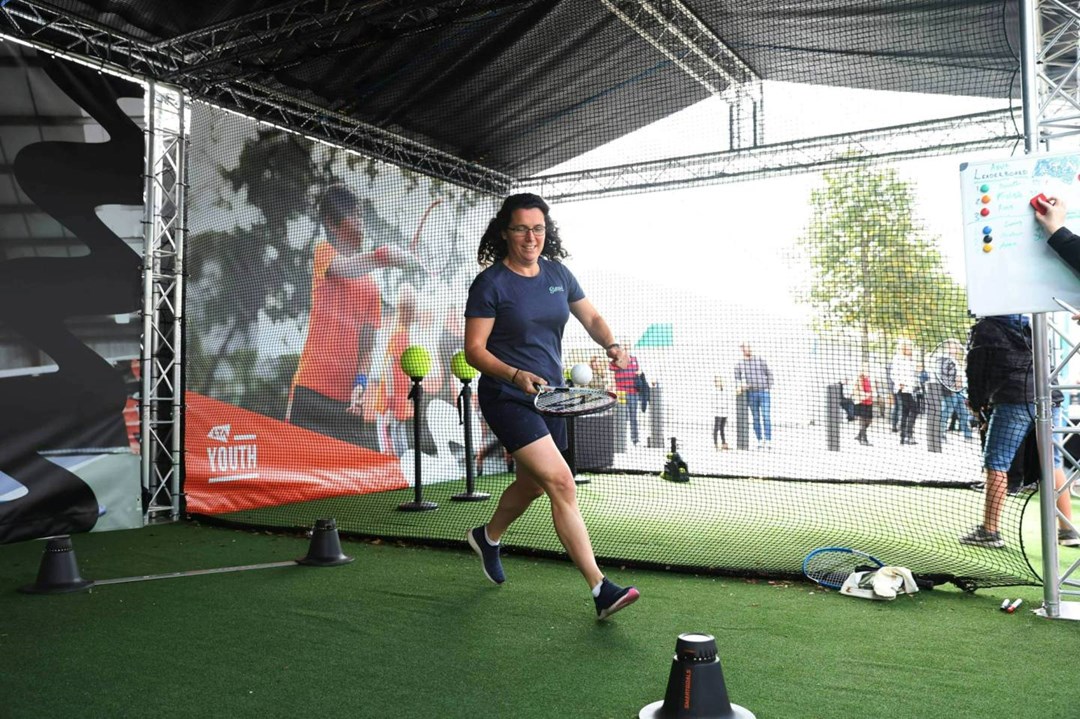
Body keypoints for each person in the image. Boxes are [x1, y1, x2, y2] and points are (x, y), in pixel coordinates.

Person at [462, 193, 639, 619]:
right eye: (521, 228)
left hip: (551, 398)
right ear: (505, 232)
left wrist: (611, 344)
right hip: (508, 396)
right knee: (561, 482)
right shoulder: (491, 285)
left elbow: (591, 318)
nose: (530, 236)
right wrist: (513, 375)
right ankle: (601, 589)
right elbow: (474, 351)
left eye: (538, 228)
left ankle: (488, 537)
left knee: (535, 484)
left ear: (547, 231)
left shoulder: (558, 274)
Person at [287, 184, 419, 449]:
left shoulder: (372, 286)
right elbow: (346, 268)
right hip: (310, 390)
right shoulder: (323, 252)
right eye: (353, 215)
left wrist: (360, 385)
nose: (360, 221)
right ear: (332, 224)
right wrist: (384, 257)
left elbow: (367, 348)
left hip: (349, 401)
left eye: (361, 214)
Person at [961, 314, 1080, 548]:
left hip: (1013, 398)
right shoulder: (1034, 322)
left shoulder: (986, 327)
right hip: (1049, 397)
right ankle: (1067, 530)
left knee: (996, 462)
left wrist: (977, 405)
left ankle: (990, 531)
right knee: (1052, 461)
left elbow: (976, 371)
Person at [734, 342, 773, 449]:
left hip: (764, 392)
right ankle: (759, 440)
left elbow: (769, 373)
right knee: (755, 417)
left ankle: (768, 440)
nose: (747, 349)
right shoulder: (740, 364)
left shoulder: (760, 360)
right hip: (751, 393)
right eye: (745, 347)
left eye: (748, 346)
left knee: (766, 416)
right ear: (742, 349)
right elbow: (737, 377)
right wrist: (741, 386)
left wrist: (768, 386)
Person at [935, 339, 973, 443]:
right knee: (946, 413)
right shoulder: (944, 359)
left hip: (959, 392)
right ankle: (939, 435)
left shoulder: (956, 360)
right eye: (953, 347)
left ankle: (968, 435)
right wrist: (950, 387)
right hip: (950, 391)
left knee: (963, 413)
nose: (956, 349)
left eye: (956, 347)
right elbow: (942, 377)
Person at [609, 344, 643, 446]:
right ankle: (620, 440)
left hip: (633, 392)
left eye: (628, 347)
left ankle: (635, 439)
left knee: (633, 416)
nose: (626, 349)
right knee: (621, 417)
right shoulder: (614, 361)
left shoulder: (634, 359)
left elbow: (638, 371)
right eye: (624, 348)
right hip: (621, 393)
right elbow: (612, 372)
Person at [889, 338, 919, 446]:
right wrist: (899, 383)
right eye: (909, 347)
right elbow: (893, 373)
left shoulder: (910, 359)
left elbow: (914, 373)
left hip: (910, 389)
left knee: (906, 412)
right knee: (913, 410)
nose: (911, 349)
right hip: (902, 389)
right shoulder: (898, 358)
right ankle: (907, 435)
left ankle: (904, 437)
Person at [853, 366, 874, 446]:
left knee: (869, 420)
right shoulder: (859, 380)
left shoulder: (868, 379)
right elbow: (858, 391)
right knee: (863, 420)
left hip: (869, 402)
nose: (867, 371)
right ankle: (863, 439)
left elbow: (871, 389)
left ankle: (859, 435)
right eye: (865, 370)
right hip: (862, 402)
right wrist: (866, 395)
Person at [713, 374, 731, 450]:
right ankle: (716, 444)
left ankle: (723, 443)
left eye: (720, 380)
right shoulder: (714, 391)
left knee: (722, 428)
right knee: (716, 428)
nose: (719, 382)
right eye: (717, 381)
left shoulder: (724, 390)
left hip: (724, 412)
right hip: (718, 412)